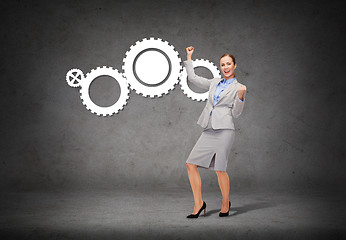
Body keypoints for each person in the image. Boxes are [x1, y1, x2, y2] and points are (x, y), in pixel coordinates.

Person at [185, 46, 246, 218]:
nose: (225, 67)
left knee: (220, 169)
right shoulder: (214, 82)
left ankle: (225, 203)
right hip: (209, 128)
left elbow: (236, 113)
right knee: (190, 164)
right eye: (222, 64)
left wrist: (241, 97)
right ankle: (199, 204)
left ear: (234, 66)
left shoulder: (239, 87)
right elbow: (193, 78)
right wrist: (189, 57)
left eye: (228, 64)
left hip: (225, 130)